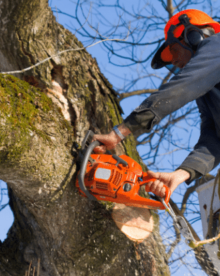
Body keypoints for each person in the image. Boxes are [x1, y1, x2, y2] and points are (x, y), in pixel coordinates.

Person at [93, 9, 220, 198]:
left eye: (175, 50)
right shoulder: (208, 89)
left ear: (194, 36)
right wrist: (182, 173)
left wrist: (119, 132)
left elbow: (181, 87)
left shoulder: (217, 45)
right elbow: (214, 138)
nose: (175, 61)